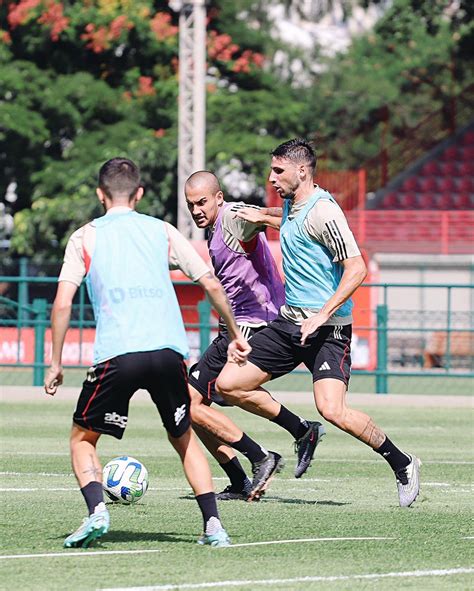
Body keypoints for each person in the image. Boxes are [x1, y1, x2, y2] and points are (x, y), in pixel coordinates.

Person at [44, 157, 251, 549]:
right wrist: (236, 334)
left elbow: (62, 304)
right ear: (139, 194)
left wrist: (55, 363)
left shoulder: (84, 237)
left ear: (100, 194)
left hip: (118, 354)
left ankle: (97, 512)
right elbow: (210, 284)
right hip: (169, 351)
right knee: (184, 437)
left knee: (82, 439)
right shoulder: (162, 231)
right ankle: (213, 527)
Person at [217, 139, 421, 508]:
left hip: (328, 330)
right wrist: (262, 216)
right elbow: (293, 221)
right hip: (290, 324)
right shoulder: (292, 204)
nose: (271, 177)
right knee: (229, 385)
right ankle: (302, 432)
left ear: (302, 171)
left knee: (333, 410)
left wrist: (323, 314)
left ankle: (402, 462)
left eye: (278, 171)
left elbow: (356, 267)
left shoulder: (325, 210)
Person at [185, 171, 325, 502]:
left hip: (254, 326)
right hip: (233, 328)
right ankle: (247, 474)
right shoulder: (217, 225)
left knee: (217, 393)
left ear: (218, 198)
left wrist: (280, 217)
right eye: (190, 205)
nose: (196, 210)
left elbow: (275, 217)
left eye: (202, 202)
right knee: (192, 406)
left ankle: (263, 455)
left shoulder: (232, 217)